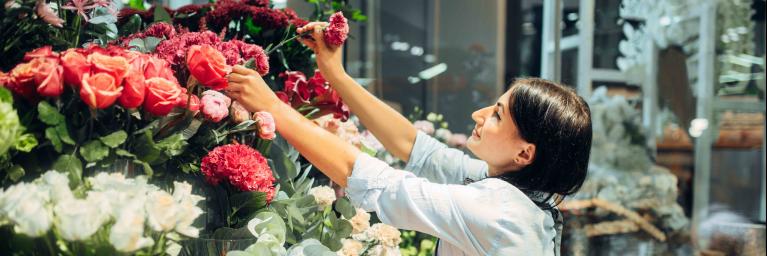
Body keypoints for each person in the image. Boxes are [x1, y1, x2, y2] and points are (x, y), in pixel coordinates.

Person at [226, 22, 592, 255]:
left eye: (496, 115)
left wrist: (273, 106)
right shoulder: (509, 188)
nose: (478, 116)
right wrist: (336, 75)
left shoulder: (499, 211)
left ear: (525, 152)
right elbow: (414, 147)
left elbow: (377, 182)